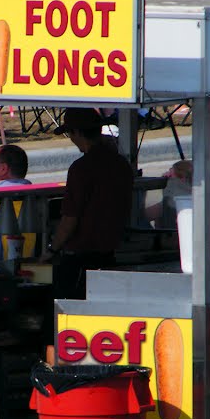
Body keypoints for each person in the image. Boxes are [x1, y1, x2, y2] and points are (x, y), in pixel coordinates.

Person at [43, 108, 134, 300]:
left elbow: (70, 219)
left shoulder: (81, 168)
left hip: (81, 257)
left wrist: (52, 249)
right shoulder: (121, 164)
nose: (71, 139)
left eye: (70, 134)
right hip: (111, 253)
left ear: (76, 132)